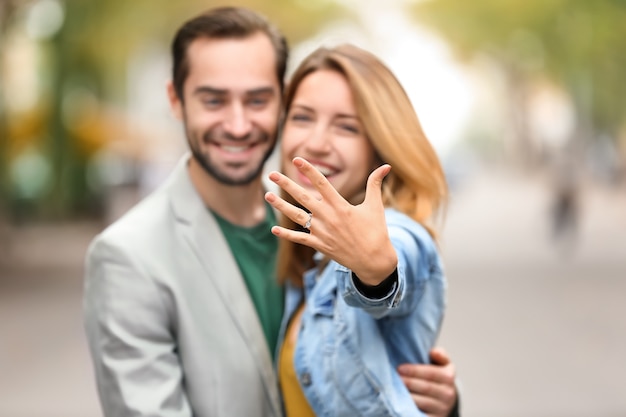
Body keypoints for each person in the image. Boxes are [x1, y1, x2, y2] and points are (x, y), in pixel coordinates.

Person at [83, 7, 459, 417]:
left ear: (279, 101)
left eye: (257, 99)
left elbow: (393, 262)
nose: (239, 125)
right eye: (214, 100)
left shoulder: (312, 228)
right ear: (176, 100)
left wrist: (438, 401)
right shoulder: (128, 256)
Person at [264, 44, 451, 416]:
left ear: (380, 145)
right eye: (302, 118)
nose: (315, 142)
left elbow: (393, 260)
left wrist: (374, 270)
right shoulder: (300, 249)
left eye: (346, 126)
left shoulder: (398, 230)